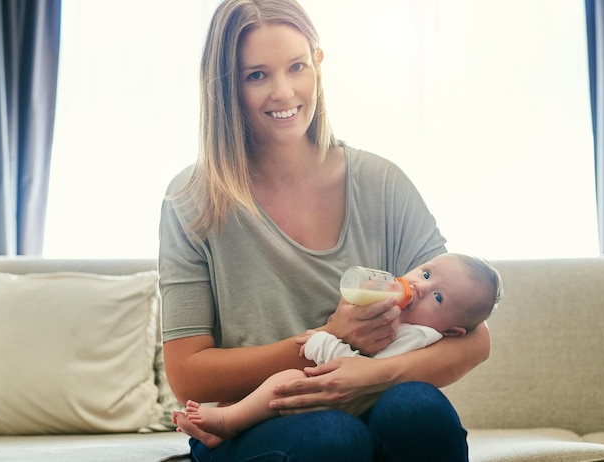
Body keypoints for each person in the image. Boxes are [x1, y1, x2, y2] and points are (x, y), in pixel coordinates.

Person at [158, 0, 492, 460]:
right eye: (257, 75)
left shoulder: (382, 184)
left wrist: (374, 377)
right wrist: (337, 335)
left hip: (370, 401)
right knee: (331, 437)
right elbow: (188, 377)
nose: (283, 92)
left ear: (318, 62)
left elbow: (475, 337)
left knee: (418, 410)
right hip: (252, 424)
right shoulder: (193, 199)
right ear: (226, 86)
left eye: (296, 66)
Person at [171, 253, 503, 449]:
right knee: (298, 395)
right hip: (322, 418)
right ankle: (227, 422)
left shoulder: (419, 337)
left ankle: (228, 421)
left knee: (289, 380)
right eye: (426, 273)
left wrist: (323, 339)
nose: (419, 286)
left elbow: (355, 373)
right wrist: (339, 328)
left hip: (357, 405)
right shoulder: (394, 310)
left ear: (451, 330)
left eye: (438, 298)